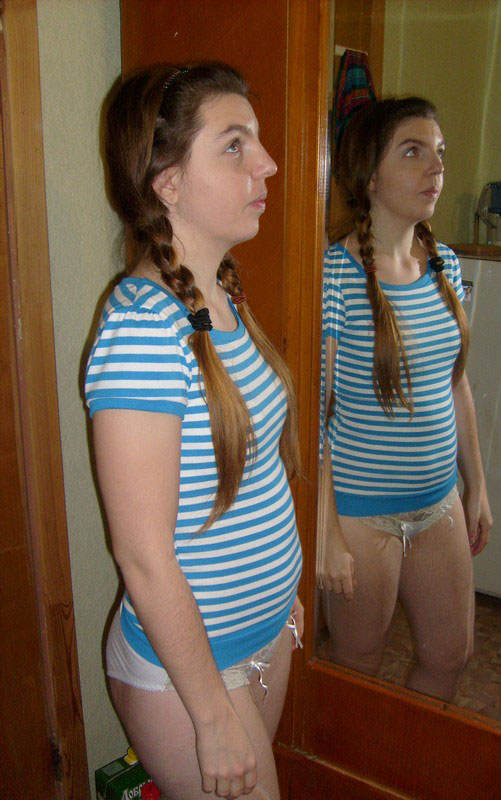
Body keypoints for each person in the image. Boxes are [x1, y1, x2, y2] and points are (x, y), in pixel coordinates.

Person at [85, 62, 303, 800]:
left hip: (262, 634)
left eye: (257, 140)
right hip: (192, 674)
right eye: (235, 144)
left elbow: (254, 473)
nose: (267, 163)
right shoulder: (144, 328)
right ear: (168, 182)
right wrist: (210, 717)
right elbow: (143, 556)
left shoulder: (221, 294)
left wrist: (282, 589)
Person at [318, 97, 492, 703]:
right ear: (369, 175)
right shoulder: (334, 275)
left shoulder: (444, 264)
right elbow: (315, 412)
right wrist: (325, 530)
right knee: (356, 665)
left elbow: (456, 383)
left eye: (439, 152)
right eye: (413, 152)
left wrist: (477, 485)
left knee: (450, 655)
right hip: (361, 514)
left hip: (438, 502)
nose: (436, 167)